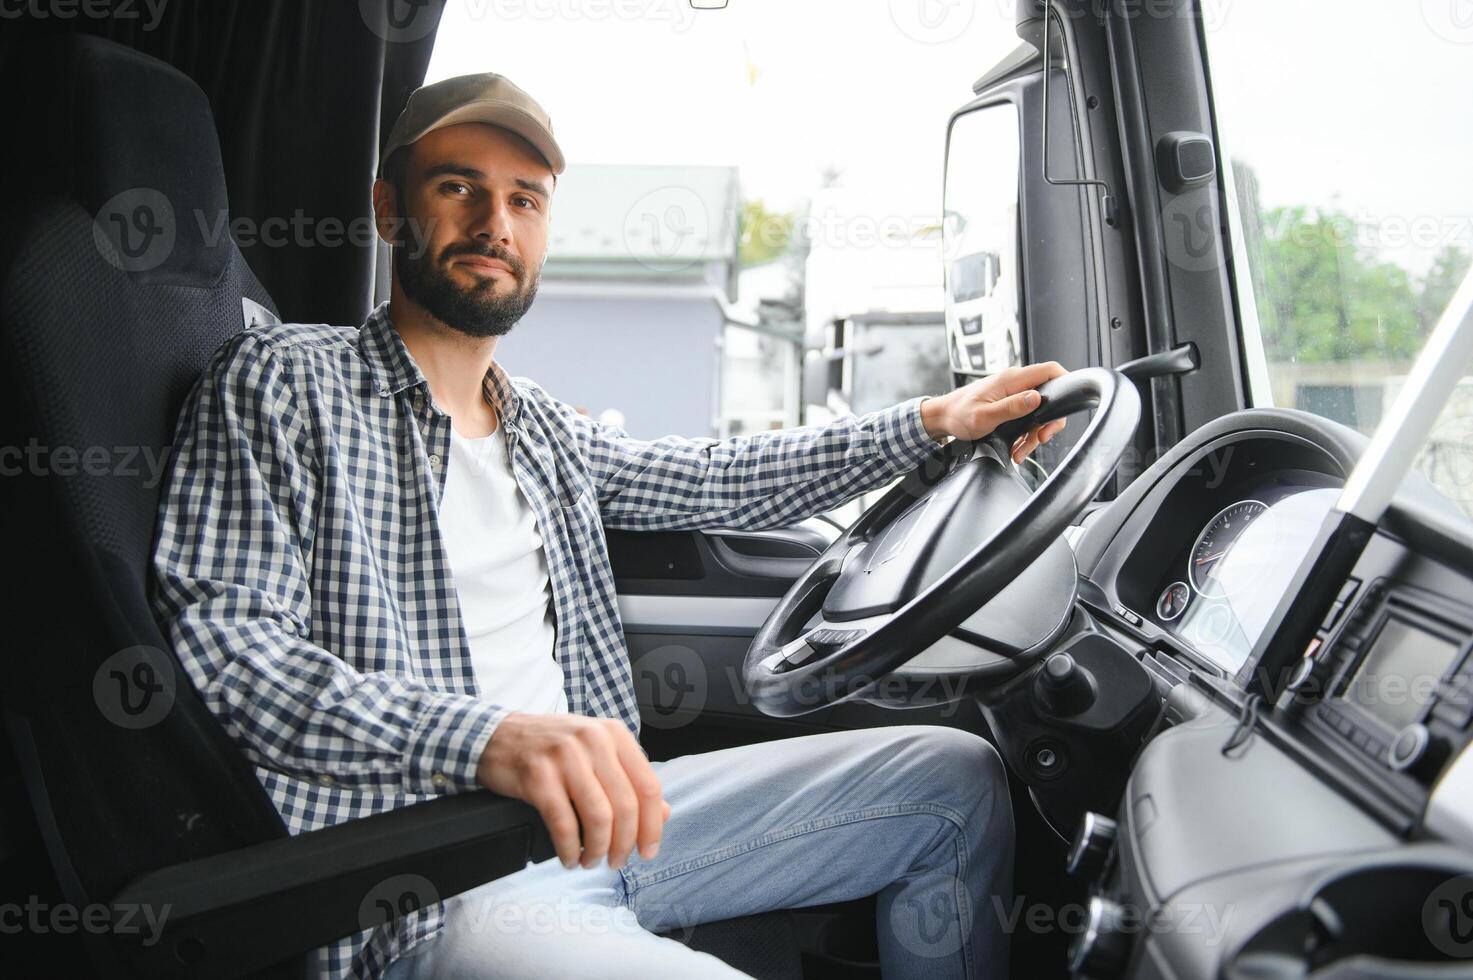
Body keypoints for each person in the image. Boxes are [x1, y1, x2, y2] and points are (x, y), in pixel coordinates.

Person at [150, 72, 1067, 979]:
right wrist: (490, 738)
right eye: (457, 186)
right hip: (439, 880)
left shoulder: (542, 428)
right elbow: (229, 650)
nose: (494, 224)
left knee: (954, 780)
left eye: (525, 200)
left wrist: (931, 424)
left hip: (604, 823)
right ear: (391, 211)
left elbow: (718, 479)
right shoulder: (282, 380)